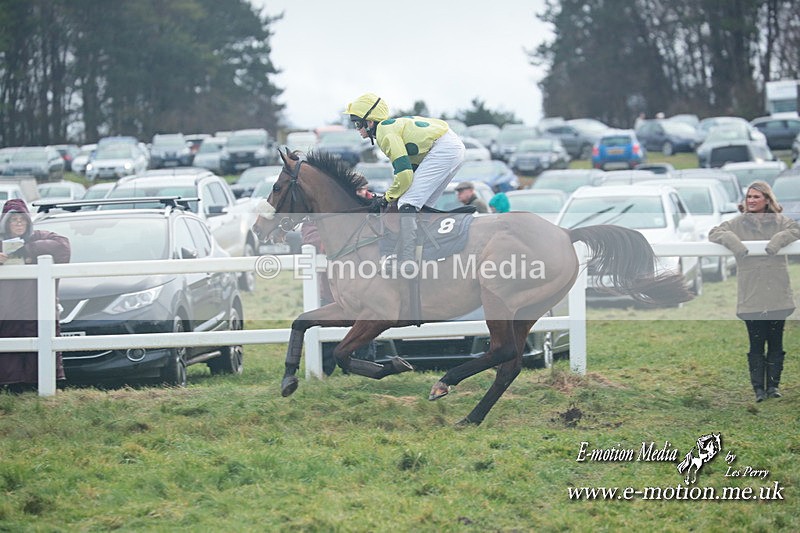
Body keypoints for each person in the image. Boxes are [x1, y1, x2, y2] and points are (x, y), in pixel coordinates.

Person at [345, 92, 466, 275]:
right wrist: (392, 195)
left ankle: (407, 260)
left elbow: (405, 176)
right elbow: (411, 173)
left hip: (445, 149)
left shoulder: (385, 133)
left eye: (357, 123)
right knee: (419, 204)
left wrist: (387, 197)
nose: (356, 129)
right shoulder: (389, 129)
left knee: (407, 204)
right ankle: (423, 251)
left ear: (369, 122)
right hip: (450, 147)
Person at [708, 181, 800, 402]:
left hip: (777, 292)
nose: (751, 201)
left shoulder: (781, 222)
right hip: (751, 294)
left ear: (767, 199)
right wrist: (738, 246)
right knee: (756, 342)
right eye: (749, 197)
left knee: (776, 341)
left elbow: (795, 230)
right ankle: (759, 389)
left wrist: (775, 243)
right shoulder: (737, 223)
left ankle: (773, 387)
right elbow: (715, 232)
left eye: (756, 197)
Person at [0, 199, 71, 392]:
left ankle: (43, 390)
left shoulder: (40, 237)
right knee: (10, 356)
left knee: (41, 354)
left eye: (22, 219)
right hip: (7, 312)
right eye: (13, 220)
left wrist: (27, 250)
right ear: (5, 222)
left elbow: (63, 247)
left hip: (39, 309)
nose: (18, 223)